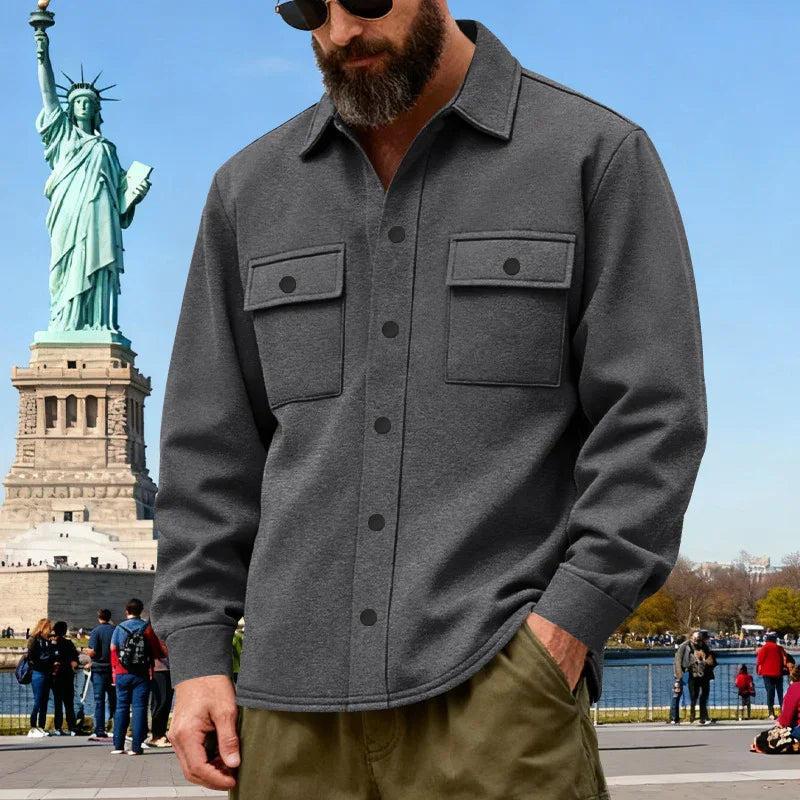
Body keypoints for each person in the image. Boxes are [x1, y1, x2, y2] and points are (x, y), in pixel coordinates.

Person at [150, 2, 707, 797]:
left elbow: (655, 420)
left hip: (499, 701)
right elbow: (208, 450)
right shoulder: (247, 191)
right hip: (285, 727)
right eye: (312, 7)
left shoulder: (595, 156)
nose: (341, 32)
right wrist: (199, 654)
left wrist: (564, 633)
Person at [110, 598, 165, 755]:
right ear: (141, 611)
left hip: (122, 673)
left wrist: (115, 671)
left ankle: (118, 745)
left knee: (121, 708)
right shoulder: (147, 628)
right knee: (140, 708)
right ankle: (136, 746)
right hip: (142, 674)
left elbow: (113, 650)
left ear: (126, 611)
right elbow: (157, 653)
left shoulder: (119, 628)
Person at [83, 609, 116, 741]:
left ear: (99, 618)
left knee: (99, 701)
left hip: (99, 670)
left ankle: (100, 729)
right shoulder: (116, 630)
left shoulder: (96, 631)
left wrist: (86, 652)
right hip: (113, 670)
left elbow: (93, 652)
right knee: (114, 700)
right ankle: (116, 727)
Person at [50, 620, 80, 736]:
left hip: (57, 677)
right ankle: (72, 727)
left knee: (58, 704)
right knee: (69, 704)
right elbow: (75, 659)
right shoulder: (69, 643)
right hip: (68, 676)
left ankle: (58, 727)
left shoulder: (53, 644)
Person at [25, 618, 54, 737]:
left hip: (47, 673)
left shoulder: (47, 641)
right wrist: (46, 661)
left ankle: (41, 726)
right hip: (38, 673)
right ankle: (33, 727)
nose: (51, 630)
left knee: (44, 701)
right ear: (44, 627)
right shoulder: (34, 640)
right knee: (38, 700)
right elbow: (32, 657)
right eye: (49, 627)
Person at [145, 636, 173, 747]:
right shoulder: (151, 631)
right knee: (160, 701)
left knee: (166, 702)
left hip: (168, 669)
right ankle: (156, 735)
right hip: (158, 669)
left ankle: (160, 733)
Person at [757, 631, 789, 719]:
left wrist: (758, 671)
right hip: (778, 672)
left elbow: (759, 661)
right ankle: (783, 711)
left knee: (770, 692)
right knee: (780, 691)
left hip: (767, 673)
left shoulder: (764, 648)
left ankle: (771, 712)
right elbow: (785, 659)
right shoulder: (779, 648)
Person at [670, 632, 699, 724]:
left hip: (687, 672)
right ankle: (674, 717)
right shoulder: (684, 646)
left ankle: (681, 717)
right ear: (692, 637)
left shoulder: (693, 646)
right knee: (677, 695)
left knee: (684, 695)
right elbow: (678, 661)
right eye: (696, 638)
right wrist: (678, 677)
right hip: (681, 673)